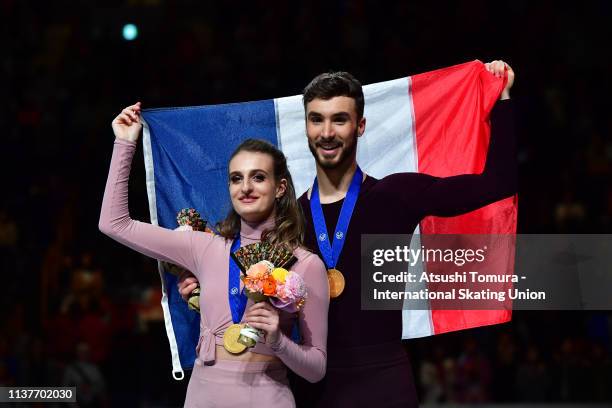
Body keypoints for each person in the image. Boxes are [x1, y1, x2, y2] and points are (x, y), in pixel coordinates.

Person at [180, 60, 516, 406]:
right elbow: (243, 290)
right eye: (317, 119)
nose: (327, 132)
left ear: (360, 125)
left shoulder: (396, 195)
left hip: (384, 384)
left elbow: (498, 183)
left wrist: (501, 96)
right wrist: (200, 289)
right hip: (311, 386)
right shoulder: (283, 221)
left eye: (339, 119)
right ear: (307, 127)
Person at [99, 103, 329, 408]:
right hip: (202, 397)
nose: (245, 187)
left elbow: (316, 369)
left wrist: (279, 341)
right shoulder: (204, 247)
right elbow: (114, 224)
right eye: (236, 178)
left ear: (280, 187)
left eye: (258, 177)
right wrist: (125, 142)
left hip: (267, 397)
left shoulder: (306, 264)